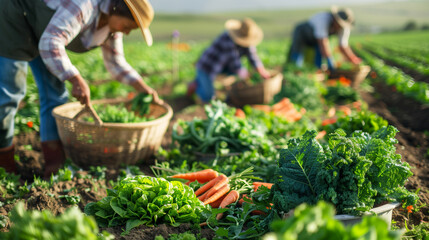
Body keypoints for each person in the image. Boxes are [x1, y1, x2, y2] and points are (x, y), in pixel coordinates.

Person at [0, 0, 161, 178]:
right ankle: (4, 164)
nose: (128, 32)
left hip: (42, 31)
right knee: (10, 93)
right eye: (128, 26)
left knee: (56, 95)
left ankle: (55, 166)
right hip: (16, 16)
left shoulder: (112, 29)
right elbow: (51, 42)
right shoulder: (84, 5)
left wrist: (143, 88)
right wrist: (75, 79)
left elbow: (116, 62)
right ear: (118, 9)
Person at [187, 18, 271, 104]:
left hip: (224, 66)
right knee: (208, 96)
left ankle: (204, 84)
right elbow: (235, 63)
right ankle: (194, 87)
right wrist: (244, 76)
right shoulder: (227, 39)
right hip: (208, 66)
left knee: (238, 73)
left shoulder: (247, 40)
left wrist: (261, 70)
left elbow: (252, 56)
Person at [285, 6, 362, 71]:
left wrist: (353, 59)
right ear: (335, 19)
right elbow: (323, 42)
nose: (339, 26)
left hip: (317, 40)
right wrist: (330, 60)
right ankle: (294, 72)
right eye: (338, 23)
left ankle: (317, 72)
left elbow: (343, 46)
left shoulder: (344, 28)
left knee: (319, 59)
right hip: (303, 33)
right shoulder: (324, 19)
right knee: (297, 55)